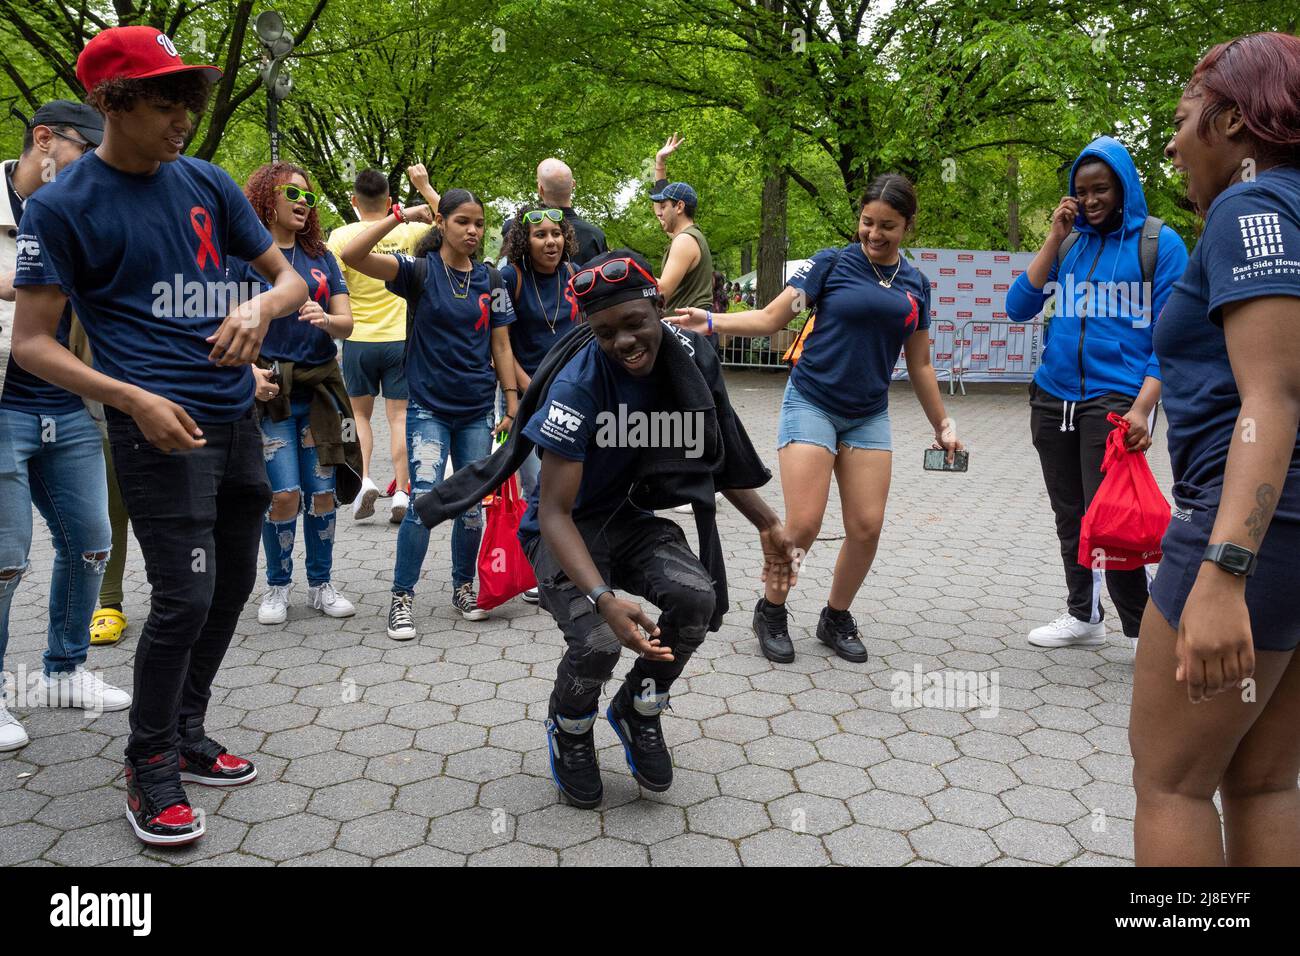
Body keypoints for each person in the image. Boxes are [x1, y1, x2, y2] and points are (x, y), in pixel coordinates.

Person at [12, 25, 307, 846]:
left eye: (190, 97)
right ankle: (148, 768)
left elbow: (285, 279)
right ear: (114, 101)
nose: (184, 114)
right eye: (166, 98)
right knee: (183, 597)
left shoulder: (207, 182)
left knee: (233, 584)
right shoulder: (61, 207)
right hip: (158, 431)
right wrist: (129, 400)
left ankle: (186, 730)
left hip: (233, 415)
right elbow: (31, 342)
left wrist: (256, 307)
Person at [411, 250, 798, 807]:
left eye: (635, 324)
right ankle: (570, 729)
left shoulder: (688, 361)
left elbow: (712, 456)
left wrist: (769, 524)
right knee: (596, 640)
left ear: (659, 307)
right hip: (563, 530)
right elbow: (553, 512)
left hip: (628, 517)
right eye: (605, 332)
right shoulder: (579, 386)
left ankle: (639, 707)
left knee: (695, 599)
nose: (623, 342)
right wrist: (602, 596)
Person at [669, 174, 963, 665]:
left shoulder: (916, 285)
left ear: (908, 227)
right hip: (812, 401)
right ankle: (772, 609)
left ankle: (835, 616)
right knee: (803, 524)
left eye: (887, 226)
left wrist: (944, 424)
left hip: (868, 414)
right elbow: (771, 319)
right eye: (867, 222)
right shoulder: (831, 265)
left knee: (867, 527)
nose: (873, 233)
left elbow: (921, 364)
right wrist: (712, 322)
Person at [1130, 31, 1300, 866]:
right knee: (1267, 782)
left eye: (1185, 114)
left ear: (1234, 120)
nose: (1171, 138)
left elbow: (1274, 396)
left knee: (1173, 784)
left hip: (1254, 536)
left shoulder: (1252, 205)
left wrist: (1224, 574)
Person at [1007, 136, 1189, 652]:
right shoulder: (1070, 245)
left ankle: (1146, 633)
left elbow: (1169, 338)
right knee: (1071, 513)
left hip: (1116, 402)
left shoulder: (1159, 244)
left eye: (1101, 189)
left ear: (1124, 187)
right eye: (1081, 191)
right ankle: (1083, 615)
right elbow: (1018, 307)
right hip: (1052, 395)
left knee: (1110, 518)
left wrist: (1142, 408)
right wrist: (1052, 238)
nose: (1090, 201)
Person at [0, 99, 126, 754]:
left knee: (91, 539)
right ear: (43, 140)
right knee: (4, 557)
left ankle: (64, 670)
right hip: (2, 405)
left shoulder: (82, 213)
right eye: (86, 157)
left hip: (66, 402)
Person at [341, 188, 518, 638]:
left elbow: (501, 344)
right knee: (423, 502)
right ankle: (401, 599)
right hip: (428, 409)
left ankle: (464, 588)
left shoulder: (491, 280)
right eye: (462, 221)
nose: (473, 230)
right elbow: (355, 253)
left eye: (479, 223)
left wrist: (513, 402)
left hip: (478, 408)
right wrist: (399, 216)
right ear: (441, 224)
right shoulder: (418, 272)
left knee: (473, 506)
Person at [230, 161, 360, 626]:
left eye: (309, 197)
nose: (303, 203)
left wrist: (327, 320)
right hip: (271, 394)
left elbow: (347, 321)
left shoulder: (322, 257)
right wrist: (248, 372)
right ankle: (277, 586)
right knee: (283, 494)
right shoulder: (242, 258)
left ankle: (321, 583)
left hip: (320, 390)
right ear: (267, 197)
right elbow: (219, 324)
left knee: (322, 491)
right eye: (292, 193)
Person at [326, 167, 431, 524]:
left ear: (354, 201)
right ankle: (402, 490)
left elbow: (329, 284)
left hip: (357, 338)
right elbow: (449, 224)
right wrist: (424, 191)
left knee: (360, 417)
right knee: (399, 416)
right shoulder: (412, 230)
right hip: (401, 338)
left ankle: (365, 479)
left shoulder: (339, 237)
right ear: (389, 201)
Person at [649, 134, 714, 316]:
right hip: (692, 329)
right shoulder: (687, 235)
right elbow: (659, 210)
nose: (659, 213)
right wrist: (660, 164)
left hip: (690, 332)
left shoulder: (684, 240)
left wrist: (629, 274)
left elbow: (662, 291)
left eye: (664, 206)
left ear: (679, 207)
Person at [500, 158, 607, 266]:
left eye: (556, 234)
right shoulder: (596, 236)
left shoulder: (516, 228)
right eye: (541, 235)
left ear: (540, 189)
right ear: (573, 184)